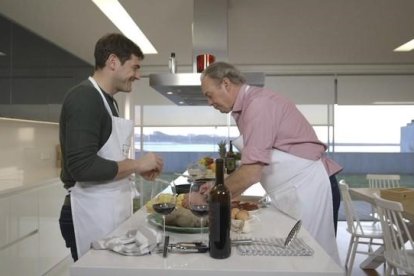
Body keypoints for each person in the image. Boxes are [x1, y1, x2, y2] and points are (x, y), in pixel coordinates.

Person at [200, 62, 342, 263]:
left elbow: (251, 172)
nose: (209, 102)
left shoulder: (259, 105)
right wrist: (218, 185)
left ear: (226, 84)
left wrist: (209, 200)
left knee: (314, 260)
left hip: (311, 188)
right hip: (295, 190)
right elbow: (253, 162)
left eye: (208, 94)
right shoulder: (248, 107)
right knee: (297, 259)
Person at [59, 33, 163, 261]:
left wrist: (136, 169)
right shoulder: (84, 98)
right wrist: (136, 164)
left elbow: (107, 157)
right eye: (135, 67)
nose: (138, 75)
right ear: (113, 61)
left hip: (106, 210)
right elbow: (81, 167)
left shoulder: (109, 102)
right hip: (89, 211)